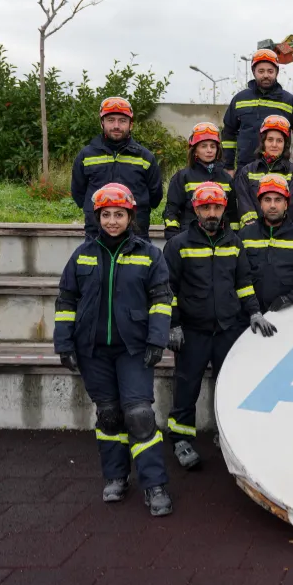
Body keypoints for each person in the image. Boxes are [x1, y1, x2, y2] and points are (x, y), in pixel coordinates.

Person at [53, 183, 172, 516]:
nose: (112, 221)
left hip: (134, 350)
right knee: (109, 415)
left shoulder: (150, 255)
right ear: (97, 217)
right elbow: (66, 301)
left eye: (119, 214)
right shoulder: (82, 255)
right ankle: (116, 477)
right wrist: (64, 343)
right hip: (93, 351)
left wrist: (156, 340)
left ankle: (155, 485)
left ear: (130, 216)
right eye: (106, 215)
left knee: (139, 415)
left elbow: (162, 301)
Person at [163, 182, 277, 469]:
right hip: (192, 331)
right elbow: (167, 290)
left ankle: (225, 435)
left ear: (224, 208)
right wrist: (173, 325)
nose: (211, 213)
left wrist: (253, 313)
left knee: (229, 385)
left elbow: (243, 284)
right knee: (186, 386)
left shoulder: (234, 243)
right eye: (205, 207)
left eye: (216, 207)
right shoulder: (178, 245)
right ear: (195, 209)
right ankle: (181, 440)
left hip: (227, 329)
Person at [71, 97, 163, 237]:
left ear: (130, 124)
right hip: (97, 232)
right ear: (102, 123)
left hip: (136, 233)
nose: (116, 125)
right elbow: (78, 192)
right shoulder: (86, 156)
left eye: (122, 120)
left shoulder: (145, 157)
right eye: (110, 120)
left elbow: (155, 196)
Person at [239, 174, 293, 312]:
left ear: (286, 204)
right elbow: (235, 275)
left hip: (285, 313)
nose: (272, 205)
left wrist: (292, 298)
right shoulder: (245, 235)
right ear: (260, 204)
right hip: (249, 313)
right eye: (267, 200)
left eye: (278, 200)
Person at [222, 49, 293, 175]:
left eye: (270, 71)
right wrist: (228, 166)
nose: (266, 75)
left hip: (279, 171)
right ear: (254, 72)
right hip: (245, 169)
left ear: (277, 72)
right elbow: (228, 133)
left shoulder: (290, 101)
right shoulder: (239, 100)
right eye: (261, 71)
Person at [163, 122, 237, 239]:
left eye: (213, 146)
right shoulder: (182, 177)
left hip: (220, 240)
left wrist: (233, 238)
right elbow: (172, 210)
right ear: (195, 150)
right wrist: (174, 239)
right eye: (204, 146)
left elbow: (232, 214)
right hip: (189, 239)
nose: (209, 150)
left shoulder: (226, 179)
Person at [235, 115, 293, 227]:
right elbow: (244, 205)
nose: (274, 145)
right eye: (270, 140)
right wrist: (257, 228)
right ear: (263, 142)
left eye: (279, 141)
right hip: (255, 234)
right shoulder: (247, 172)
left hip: (286, 234)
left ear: (285, 144)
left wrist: (275, 225)